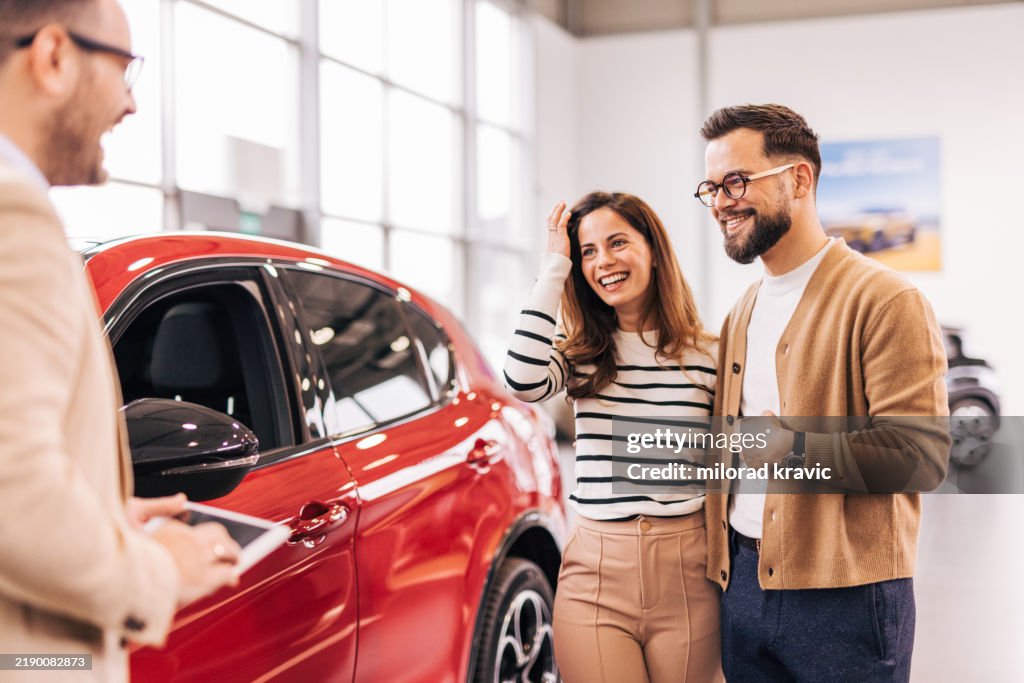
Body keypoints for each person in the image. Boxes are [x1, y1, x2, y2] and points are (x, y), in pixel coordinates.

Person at [0, 1, 241, 680]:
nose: (132, 103)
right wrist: (161, 569)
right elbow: (10, 491)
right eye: (124, 68)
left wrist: (102, 510)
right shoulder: (15, 222)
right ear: (53, 56)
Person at [696, 103, 949, 681]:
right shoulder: (743, 312)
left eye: (736, 181)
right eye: (711, 188)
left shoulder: (885, 300)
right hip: (745, 583)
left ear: (799, 180)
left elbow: (921, 457)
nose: (720, 203)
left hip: (848, 599)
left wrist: (792, 451)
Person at [504, 192, 722, 683]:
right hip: (595, 573)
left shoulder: (711, 353)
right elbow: (520, 379)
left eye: (617, 242)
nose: (603, 261)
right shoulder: (580, 355)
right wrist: (554, 265)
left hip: (688, 572)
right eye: (588, 251)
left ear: (653, 249)